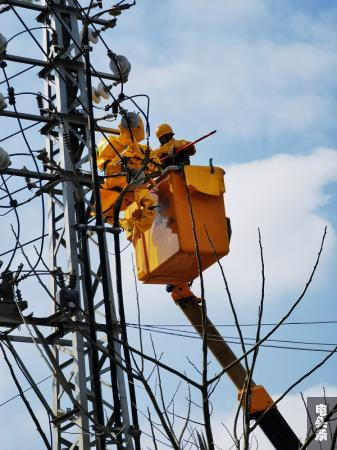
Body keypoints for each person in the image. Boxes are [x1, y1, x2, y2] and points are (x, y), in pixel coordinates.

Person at [96, 112, 160, 239]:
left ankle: (135, 230)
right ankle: (128, 225)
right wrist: (122, 159)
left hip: (135, 187)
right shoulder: (111, 142)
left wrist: (144, 165)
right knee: (105, 213)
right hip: (117, 187)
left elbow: (157, 168)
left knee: (151, 205)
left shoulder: (144, 150)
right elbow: (103, 163)